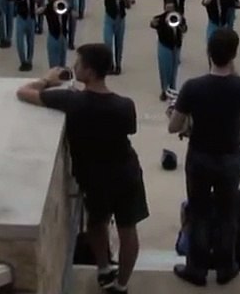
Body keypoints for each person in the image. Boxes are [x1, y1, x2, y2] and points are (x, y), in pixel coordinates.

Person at [17, 43, 148, 293]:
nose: (74, 67)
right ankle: (121, 283)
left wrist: (46, 80)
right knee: (127, 229)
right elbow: (129, 130)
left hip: (93, 177)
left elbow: (24, 93)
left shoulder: (70, 101)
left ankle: (103, 268)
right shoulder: (125, 105)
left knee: (96, 224)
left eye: (78, 64)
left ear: (88, 71)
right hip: (125, 173)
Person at [167, 29, 240, 286]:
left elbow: (174, 126)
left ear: (208, 53)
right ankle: (226, 267)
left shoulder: (193, 87)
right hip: (229, 157)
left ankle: (197, 268)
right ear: (234, 54)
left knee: (199, 213)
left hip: (200, 156)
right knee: (228, 213)